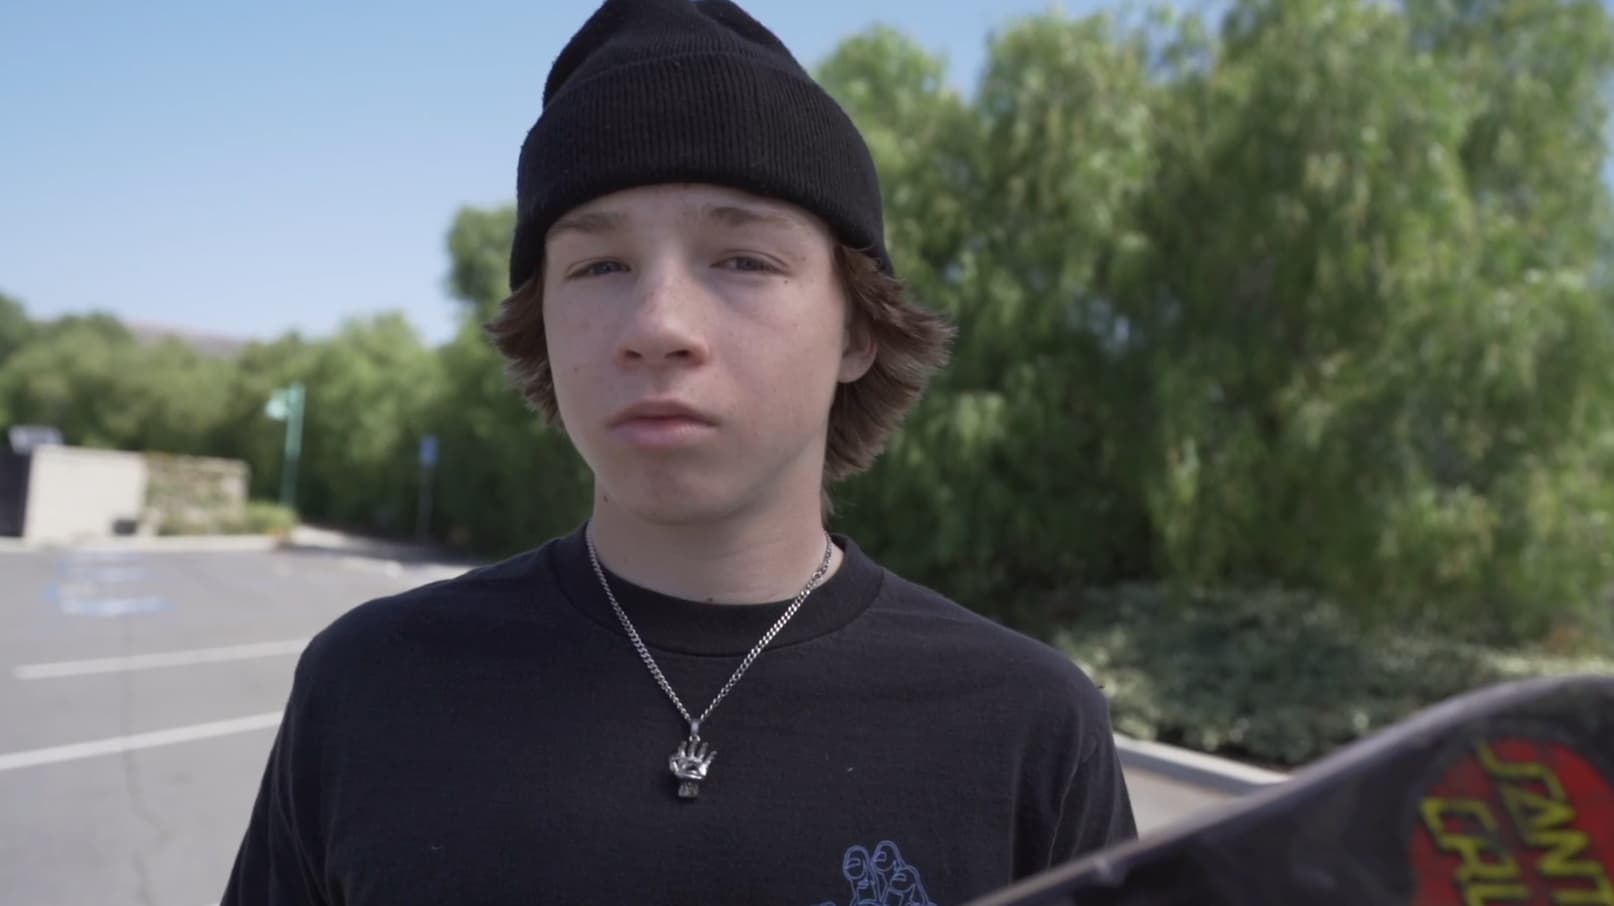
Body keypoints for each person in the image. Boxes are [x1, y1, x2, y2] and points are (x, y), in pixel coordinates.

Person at [219, 1, 1136, 903]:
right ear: (541, 324)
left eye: (743, 260)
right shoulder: (371, 685)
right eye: (599, 266)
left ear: (858, 329)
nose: (657, 326)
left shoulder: (1029, 729)